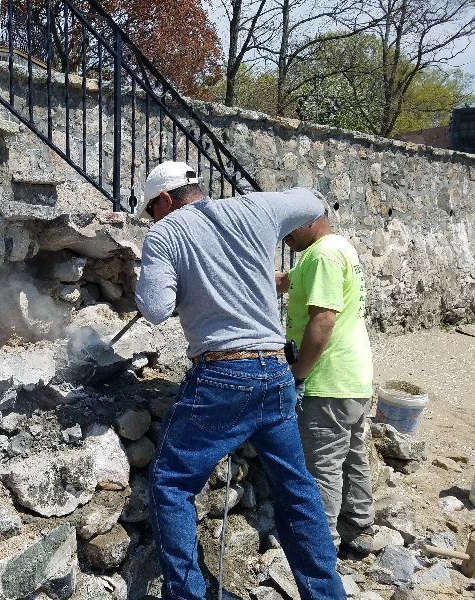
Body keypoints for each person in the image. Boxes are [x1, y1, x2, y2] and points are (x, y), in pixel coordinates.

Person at [136, 161, 345, 600]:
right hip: (275, 371)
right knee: (296, 488)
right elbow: (313, 200)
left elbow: (155, 308)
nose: (153, 220)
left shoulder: (165, 232)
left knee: (172, 482)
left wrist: (175, 277)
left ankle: (189, 595)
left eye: (152, 211)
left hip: (223, 374)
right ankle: (326, 594)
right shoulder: (255, 208)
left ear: (166, 200)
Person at [278, 203, 377, 553]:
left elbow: (323, 321)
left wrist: (298, 374)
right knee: (352, 455)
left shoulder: (323, 257)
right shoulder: (334, 249)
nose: (283, 234)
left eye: (289, 225)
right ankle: (360, 527)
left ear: (311, 220)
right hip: (353, 379)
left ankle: (321, 549)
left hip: (327, 380)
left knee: (322, 467)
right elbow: (289, 282)